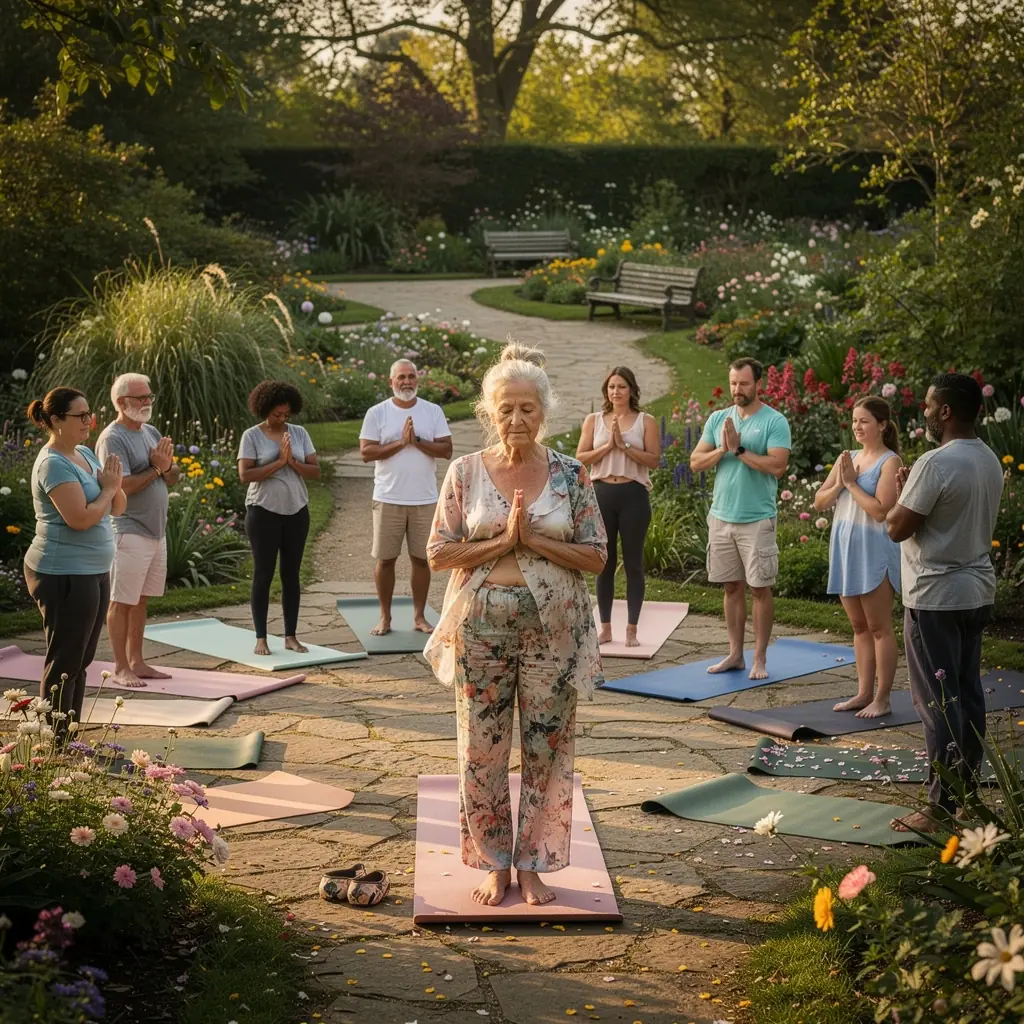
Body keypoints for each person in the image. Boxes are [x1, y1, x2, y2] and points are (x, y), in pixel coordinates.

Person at [425, 342, 607, 908]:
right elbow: (437, 552)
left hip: (551, 628)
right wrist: (504, 541)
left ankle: (532, 865)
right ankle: (492, 862)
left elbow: (597, 555)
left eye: (527, 407)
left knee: (545, 747)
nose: (516, 418)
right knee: (481, 748)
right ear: (490, 411)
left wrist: (536, 540)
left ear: (544, 409)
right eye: (506, 408)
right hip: (481, 626)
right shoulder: (465, 472)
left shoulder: (571, 475)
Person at [886, 373, 1003, 832]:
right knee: (968, 695)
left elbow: (897, 526)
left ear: (947, 412)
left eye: (931, 406)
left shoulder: (935, 463)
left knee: (938, 701)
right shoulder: (989, 459)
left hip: (935, 596)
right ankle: (968, 795)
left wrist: (906, 489)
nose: (927, 413)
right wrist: (913, 483)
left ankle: (939, 807)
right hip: (976, 592)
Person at [23, 387, 125, 738]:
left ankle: (68, 736)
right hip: (62, 572)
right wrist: (109, 489)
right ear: (55, 421)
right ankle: (52, 743)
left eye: (89, 413)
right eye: (80, 416)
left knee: (80, 661)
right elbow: (80, 518)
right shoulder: (53, 463)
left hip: (92, 571)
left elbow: (119, 506)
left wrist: (113, 488)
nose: (88, 421)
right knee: (65, 661)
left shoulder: (83, 452)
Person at [689, 358, 791, 679]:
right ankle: (735, 654)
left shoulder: (775, 421)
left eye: (744, 383)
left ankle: (759, 658)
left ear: (757, 383)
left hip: (757, 519)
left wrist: (740, 451)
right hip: (721, 518)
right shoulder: (719, 418)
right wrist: (722, 449)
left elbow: (777, 466)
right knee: (731, 588)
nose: (737, 389)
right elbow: (695, 462)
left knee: (760, 588)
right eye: (733, 383)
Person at [813, 396, 903, 718]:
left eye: (864, 421)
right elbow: (820, 502)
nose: (857, 426)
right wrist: (840, 480)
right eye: (854, 421)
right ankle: (863, 693)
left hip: (874, 550)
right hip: (846, 549)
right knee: (859, 627)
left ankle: (883, 698)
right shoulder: (847, 459)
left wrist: (850, 485)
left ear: (882, 425)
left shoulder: (889, 462)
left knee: (879, 627)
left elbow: (881, 511)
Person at [95, 373, 180, 688]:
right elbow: (120, 486)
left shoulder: (151, 431)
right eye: (140, 397)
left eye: (149, 396)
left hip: (156, 532)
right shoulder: (111, 438)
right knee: (121, 601)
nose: (147, 402)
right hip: (128, 529)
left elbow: (173, 476)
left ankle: (138, 662)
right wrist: (157, 468)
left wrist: (167, 467)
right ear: (120, 402)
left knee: (141, 599)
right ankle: (120, 668)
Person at [360, 359, 453, 636]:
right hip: (388, 497)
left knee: (421, 560)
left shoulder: (432, 411)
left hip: (424, 499)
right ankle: (385, 618)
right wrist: (400, 443)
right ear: (391, 382)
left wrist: (418, 442)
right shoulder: (377, 413)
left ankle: (419, 617)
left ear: (418, 380)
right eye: (401, 377)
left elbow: (447, 450)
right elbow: (366, 453)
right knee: (386, 560)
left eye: (411, 376)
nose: (406, 381)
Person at [576, 366, 661, 647]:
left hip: (633, 495)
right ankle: (606, 628)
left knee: (634, 563)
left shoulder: (645, 421)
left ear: (632, 390)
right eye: (612, 387)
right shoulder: (594, 420)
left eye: (622, 387)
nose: (616, 392)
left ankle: (632, 630)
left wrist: (624, 446)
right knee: (605, 563)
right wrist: (608, 447)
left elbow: (653, 460)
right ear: (606, 390)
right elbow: (581, 457)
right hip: (603, 494)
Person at [238, 381, 320, 656]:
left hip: (296, 511)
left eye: (286, 414)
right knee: (263, 574)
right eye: (277, 414)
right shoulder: (252, 436)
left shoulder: (299, 433)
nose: (282, 419)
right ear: (265, 409)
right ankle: (261, 637)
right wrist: (278, 463)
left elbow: (314, 470)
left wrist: (292, 462)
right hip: (263, 512)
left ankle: (290, 636)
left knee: (291, 574)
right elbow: (245, 475)